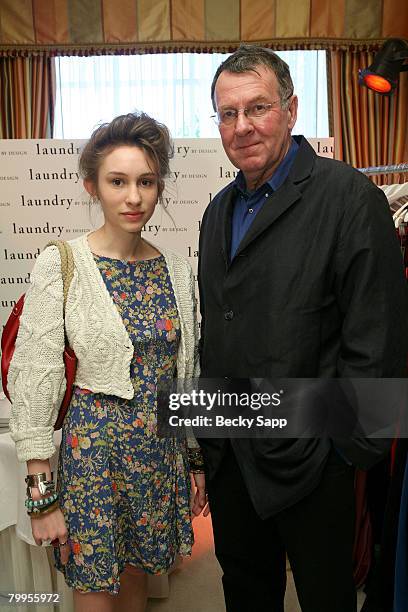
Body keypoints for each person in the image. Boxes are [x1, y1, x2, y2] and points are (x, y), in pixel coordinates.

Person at [197, 45, 408, 612]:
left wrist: (347, 452)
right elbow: (216, 329)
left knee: (327, 599)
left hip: (315, 463)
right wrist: (207, 443)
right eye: (226, 113)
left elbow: (378, 339)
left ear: (291, 109)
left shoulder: (351, 198)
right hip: (232, 456)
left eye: (257, 108)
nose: (241, 127)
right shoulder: (217, 211)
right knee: (245, 595)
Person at [8, 112, 206, 612]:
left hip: (158, 455)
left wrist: (195, 461)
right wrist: (42, 496)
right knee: (95, 590)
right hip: (94, 457)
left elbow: (187, 374)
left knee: (137, 578)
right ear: (92, 186)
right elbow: (36, 374)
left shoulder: (177, 271)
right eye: (117, 182)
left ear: (160, 185)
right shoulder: (62, 262)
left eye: (146, 182)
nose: (134, 197)